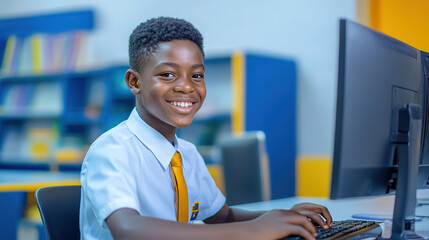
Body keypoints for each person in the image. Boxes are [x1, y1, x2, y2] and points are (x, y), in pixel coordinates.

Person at [80, 16, 333, 240]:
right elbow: (129, 230)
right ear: (134, 82)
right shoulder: (112, 150)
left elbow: (222, 217)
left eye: (197, 75)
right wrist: (252, 232)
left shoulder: (187, 154)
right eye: (168, 74)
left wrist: (280, 217)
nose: (187, 87)